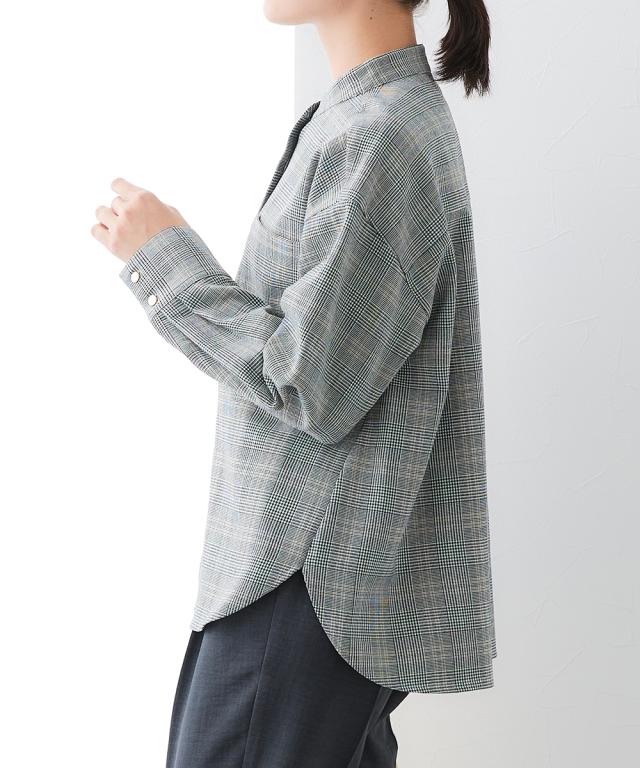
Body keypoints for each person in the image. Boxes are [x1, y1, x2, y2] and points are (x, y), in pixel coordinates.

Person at [90, 1, 495, 765]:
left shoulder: (381, 135)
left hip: (304, 580)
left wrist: (165, 261)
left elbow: (312, 382)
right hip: (303, 580)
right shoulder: (361, 120)